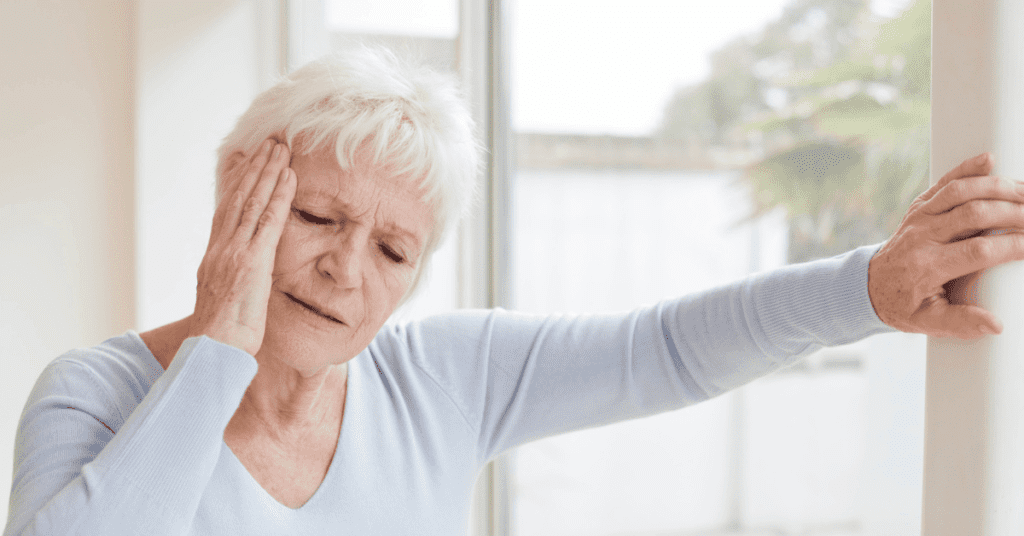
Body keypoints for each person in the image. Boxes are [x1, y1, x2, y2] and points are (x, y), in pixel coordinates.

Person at [5, 46, 1024, 535]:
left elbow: (661, 348)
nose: (344, 268)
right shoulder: (90, 394)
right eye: (314, 217)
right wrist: (220, 346)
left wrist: (868, 287)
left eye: (393, 251)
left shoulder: (438, 377)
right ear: (240, 198)